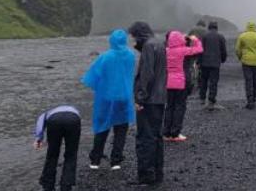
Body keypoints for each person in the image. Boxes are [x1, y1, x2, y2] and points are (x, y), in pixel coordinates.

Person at [81, 29, 136, 171]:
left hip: (106, 97)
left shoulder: (105, 57)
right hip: (124, 97)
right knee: (121, 130)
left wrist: (100, 87)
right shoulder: (131, 55)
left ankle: (95, 161)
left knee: (101, 128)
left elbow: (93, 77)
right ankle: (116, 161)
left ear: (111, 40)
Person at [128, 21, 167, 187]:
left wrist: (140, 98)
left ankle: (145, 176)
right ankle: (158, 173)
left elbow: (147, 74)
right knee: (157, 136)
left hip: (149, 100)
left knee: (145, 138)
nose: (132, 40)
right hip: (159, 98)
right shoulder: (158, 43)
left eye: (133, 36)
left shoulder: (149, 47)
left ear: (139, 34)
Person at [164, 30, 203, 141]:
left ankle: (166, 132)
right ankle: (175, 133)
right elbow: (199, 49)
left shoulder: (166, 50)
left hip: (168, 83)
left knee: (169, 107)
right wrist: (195, 40)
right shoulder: (182, 50)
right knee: (179, 107)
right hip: (180, 82)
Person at [33, 105, 81, 191]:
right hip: (73, 120)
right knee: (71, 155)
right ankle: (66, 185)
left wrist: (38, 139)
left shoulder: (48, 113)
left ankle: (48, 185)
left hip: (54, 121)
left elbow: (40, 122)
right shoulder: (74, 110)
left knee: (52, 154)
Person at [236, 20, 256, 109]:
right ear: (255, 27)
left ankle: (250, 101)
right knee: (254, 80)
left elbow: (237, 49)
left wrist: (240, 57)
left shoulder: (242, 36)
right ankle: (254, 99)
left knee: (248, 81)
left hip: (246, 61)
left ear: (247, 27)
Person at [199, 21, 228, 110]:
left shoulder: (204, 36)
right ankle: (211, 100)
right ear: (216, 27)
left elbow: (200, 49)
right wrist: (223, 59)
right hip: (215, 63)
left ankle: (202, 98)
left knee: (203, 80)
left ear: (209, 27)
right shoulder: (221, 37)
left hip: (204, 63)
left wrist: (199, 61)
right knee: (213, 82)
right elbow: (223, 50)